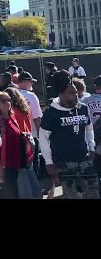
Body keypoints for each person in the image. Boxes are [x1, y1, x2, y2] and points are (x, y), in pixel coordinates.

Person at [39, 70, 98, 199]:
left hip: (84, 158)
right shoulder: (51, 114)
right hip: (63, 163)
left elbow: (89, 129)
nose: (76, 96)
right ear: (62, 94)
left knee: (94, 191)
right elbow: (43, 139)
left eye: (76, 93)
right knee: (71, 195)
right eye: (72, 93)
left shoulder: (83, 108)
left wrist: (91, 148)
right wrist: (48, 162)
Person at [0, 91, 41, 199]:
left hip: (18, 161)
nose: (8, 103)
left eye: (9, 100)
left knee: (21, 191)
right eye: (3, 101)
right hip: (6, 164)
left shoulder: (12, 116)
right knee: (10, 193)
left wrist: (23, 136)